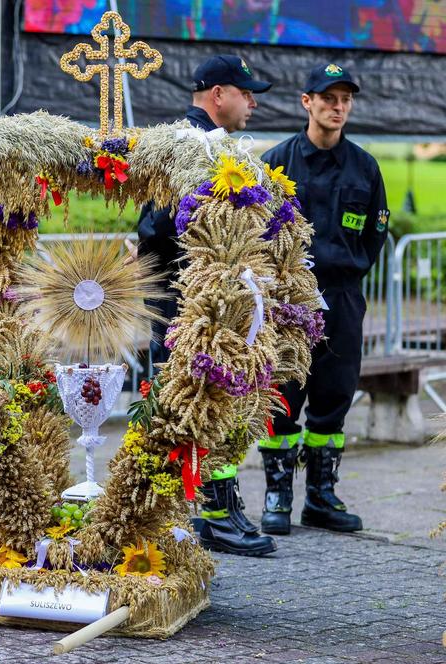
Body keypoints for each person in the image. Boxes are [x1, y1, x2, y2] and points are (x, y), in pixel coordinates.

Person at [133, 55, 277, 557]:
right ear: (219, 94)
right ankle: (193, 515)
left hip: (203, 304)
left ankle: (208, 509)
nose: (253, 102)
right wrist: (203, 278)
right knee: (189, 408)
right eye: (246, 92)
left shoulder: (213, 148)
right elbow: (155, 229)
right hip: (184, 306)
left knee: (213, 405)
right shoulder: (187, 147)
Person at [259, 63, 389, 535]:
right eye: (328, 98)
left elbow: (376, 231)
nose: (337, 107)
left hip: (343, 297)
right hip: (288, 302)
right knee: (282, 397)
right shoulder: (276, 163)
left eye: (345, 100)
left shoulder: (364, 167)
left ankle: (321, 496)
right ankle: (277, 496)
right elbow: (256, 233)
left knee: (334, 397)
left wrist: (347, 276)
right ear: (306, 102)